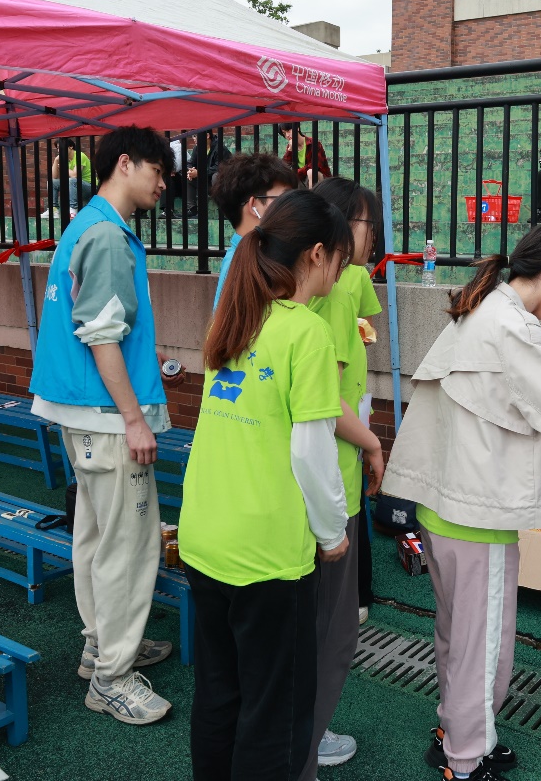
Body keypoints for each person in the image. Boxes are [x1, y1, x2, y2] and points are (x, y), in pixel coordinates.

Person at [382, 222, 541, 781]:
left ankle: (455, 734)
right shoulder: (511, 325)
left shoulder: (483, 307)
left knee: (457, 636)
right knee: (483, 645)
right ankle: (466, 760)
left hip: (445, 506)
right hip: (477, 515)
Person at [179, 189, 353, 781]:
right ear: (317, 254)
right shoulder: (306, 332)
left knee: (219, 691)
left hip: (205, 536)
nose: (340, 273)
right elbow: (311, 451)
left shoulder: (235, 316)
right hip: (267, 552)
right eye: (341, 259)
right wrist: (332, 533)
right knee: (273, 713)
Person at [30, 125, 181, 725]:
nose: (164, 184)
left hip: (79, 410)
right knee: (128, 546)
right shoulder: (109, 236)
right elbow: (102, 336)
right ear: (125, 163)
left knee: (95, 538)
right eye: (158, 171)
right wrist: (134, 419)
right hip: (108, 417)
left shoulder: (82, 226)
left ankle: (103, 648)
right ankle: (113, 675)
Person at [298, 176, 387, 779]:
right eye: (361, 223)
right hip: (330, 480)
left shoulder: (307, 292)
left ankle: (302, 729)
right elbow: (325, 402)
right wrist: (373, 442)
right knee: (328, 629)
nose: (370, 236)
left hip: (323, 476)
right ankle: (307, 736)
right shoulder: (335, 290)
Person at [209, 152, 299, 311]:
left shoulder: (259, 256)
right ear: (253, 206)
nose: (292, 207)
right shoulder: (240, 266)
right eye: (284, 199)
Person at [50, 137, 96, 214]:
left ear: (71, 147)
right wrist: (56, 160)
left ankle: (73, 209)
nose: (59, 150)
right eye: (58, 148)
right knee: (52, 182)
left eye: (61, 147)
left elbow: (74, 175)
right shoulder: (64, 159)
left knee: (72, 180)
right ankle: (54, 209)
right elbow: (54, 177)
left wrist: (64, 167)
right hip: (74, 188)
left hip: (89, 187)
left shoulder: (80, 155)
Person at [279, 122, 332, 188]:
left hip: (322, 180)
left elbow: (315, 165)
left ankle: (312, 194)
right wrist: (290, 150)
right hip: (302, 178)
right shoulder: (290, 147)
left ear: (297, 128)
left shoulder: (313, 143)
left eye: (288, 131)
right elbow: (284, 166)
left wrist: (295, 173)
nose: (287, 135)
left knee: (310, 172)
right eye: (284, 133)